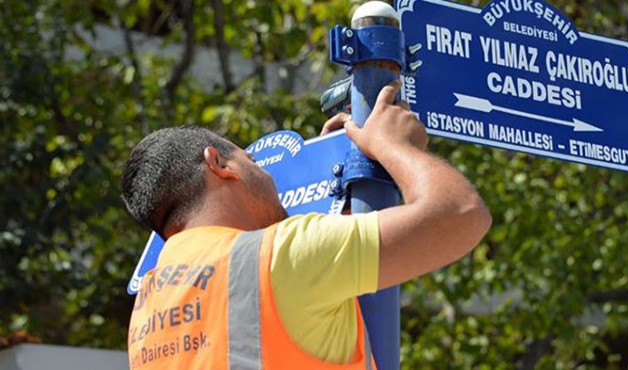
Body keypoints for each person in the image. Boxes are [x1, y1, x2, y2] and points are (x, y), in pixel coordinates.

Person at [121, 81, 491, 370]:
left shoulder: (150, 302)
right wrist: (394, 146)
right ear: (218, 164)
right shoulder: (280, 257)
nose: (269, 176)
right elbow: (460, 213)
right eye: (251, 160)